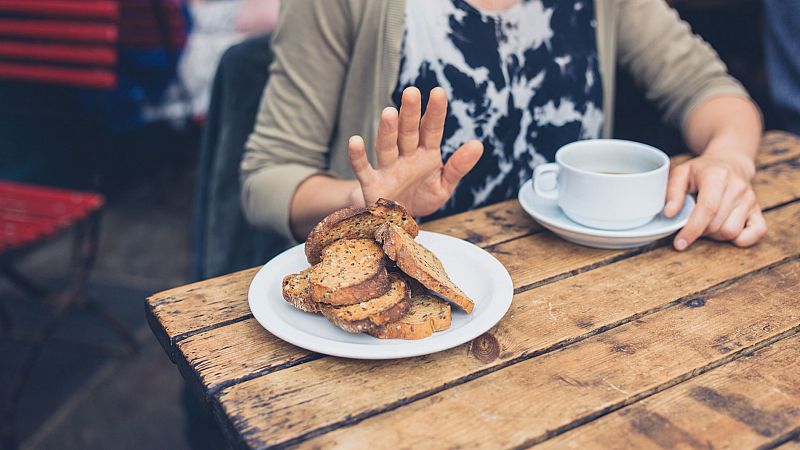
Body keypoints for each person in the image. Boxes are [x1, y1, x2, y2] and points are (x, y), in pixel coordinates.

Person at [240, 0, 766, 251]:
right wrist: (368, 203)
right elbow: (267, 178)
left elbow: (709, 90)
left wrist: (728, 159)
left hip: (584, 293)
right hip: (405, 305)